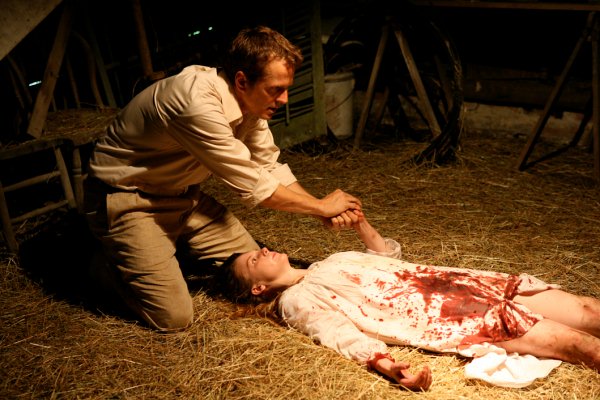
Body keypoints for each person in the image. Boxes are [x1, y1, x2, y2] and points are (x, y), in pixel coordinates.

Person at [83, 26, 362, 332]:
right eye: (276, 89)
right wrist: (321, 207)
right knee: (173, 317)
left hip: (183, 197)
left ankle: (164, 251)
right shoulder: (196, 102)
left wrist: (318, 207)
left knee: (250, 267)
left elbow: (268, 166)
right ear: (242, 81)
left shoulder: (250, 101)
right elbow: (255, 185)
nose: (284, 99)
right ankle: (109, 265)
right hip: (129, 200)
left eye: (286, 88)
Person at [216, 209, 600, 391]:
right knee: (579, 345)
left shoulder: (329, 261)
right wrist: (388, 366)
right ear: (257, 289)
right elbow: (335, 333)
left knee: (589, 310)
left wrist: (361, 223)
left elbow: (387, 256)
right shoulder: (296, 301)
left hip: (466, 283)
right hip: (456, 317)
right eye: (253, 260)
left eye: (257, 249)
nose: (262, 250)